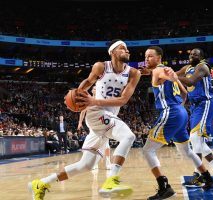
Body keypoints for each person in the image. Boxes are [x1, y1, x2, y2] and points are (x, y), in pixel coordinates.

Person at [28, 39, 141, 200]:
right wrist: (76, 97)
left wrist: (93, 100)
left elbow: (122, 101)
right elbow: (87, 83)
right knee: (129, 136)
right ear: (113, 52)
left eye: (127, 49)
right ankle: (112, 181)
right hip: (96, 113)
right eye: (123, 48)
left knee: (85, 165)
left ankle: (41, 183)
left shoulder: (133, 73)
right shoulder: (101, 66)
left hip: (106, 115)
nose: (127, 51)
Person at [142, 46, 213, 200]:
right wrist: (181, 104)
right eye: (145, 56)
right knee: (186, 151)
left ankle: (165, 188)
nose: (146, 59)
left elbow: (168, 77)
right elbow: (184, 89)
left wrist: (153, 72)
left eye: (150, 56)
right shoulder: (166, 71)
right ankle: (208, 178)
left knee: (147, 150)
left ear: (159, 58)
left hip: (170, 112)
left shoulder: (159, 71)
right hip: (180, 112)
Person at [175, 48, 213, 187]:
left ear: (201, 57)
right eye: (190, 53)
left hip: (205, 104)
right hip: (195, 107)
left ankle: (199, 175)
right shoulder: (186, 67)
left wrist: (173, 77)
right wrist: (156, 72)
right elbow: (172, 74)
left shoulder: (203, 67)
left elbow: (190, 82)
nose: (192, 55)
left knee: (195, 139)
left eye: (195, 54)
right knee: (200, 143)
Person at [77, 85, 111, 170]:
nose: (95, 89)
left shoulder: (101, 100)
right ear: (92, 91)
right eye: (94, 88)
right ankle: (94, 163)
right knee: (94, 145)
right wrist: (80, 122)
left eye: (97, 88)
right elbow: (82, 112)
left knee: (106, 145)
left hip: (102, 125)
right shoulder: (88, 101)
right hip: (93, 125)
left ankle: (108, 162)